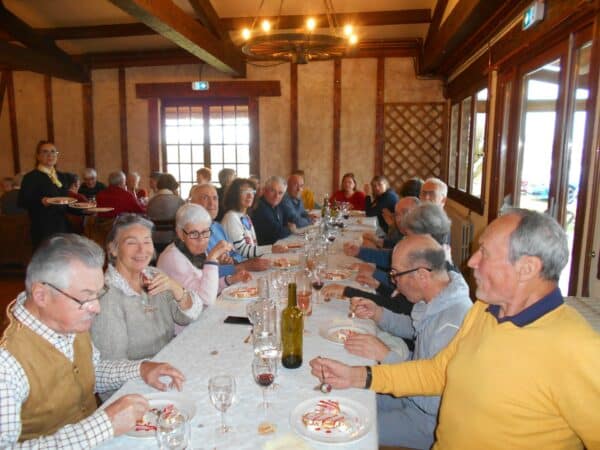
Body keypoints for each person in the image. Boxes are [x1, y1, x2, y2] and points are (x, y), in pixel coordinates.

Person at [311, 209, 600, 449]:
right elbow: (438, 371)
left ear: (526, 268)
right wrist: (358, 375)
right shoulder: (485, 313)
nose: (471, 261)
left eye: (484, 253)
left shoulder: (577, 349)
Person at [0, 234, 185, 447]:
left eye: (98, 294)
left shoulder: (67, 321)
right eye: (86, 297)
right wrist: (103, 425)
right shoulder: (6, 362)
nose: (96, 308)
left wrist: (141, 369)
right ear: (41, 295)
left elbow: (90, 371)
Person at [345, 234, 471, 448]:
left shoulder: (453, 323)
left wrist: (386, 355)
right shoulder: (439, 297)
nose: (393, 282)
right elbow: (415, 328)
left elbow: (436, 402)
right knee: (346, 396)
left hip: (427, 421)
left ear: (422, 275)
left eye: (395, 274)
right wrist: (378, 313)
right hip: (409, 396)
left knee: (346, 427)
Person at [91, 214, 202, 363]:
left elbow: (188, 316)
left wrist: (176, 288)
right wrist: (147, 369)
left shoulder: (154, 275)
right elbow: (111, 365)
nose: (142, 250)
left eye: (147, 241)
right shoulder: (107, 297)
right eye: (131, 243)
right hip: (137, 380)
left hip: (169, 361)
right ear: (113, 249)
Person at [157, 204, 250, 302]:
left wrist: (231, 279)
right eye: (193, 233)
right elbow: (205, 300)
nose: (201, 239)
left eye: (205, 232)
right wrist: (211, 259)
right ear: (180, 233)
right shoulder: (173, 258)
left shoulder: (192, 250)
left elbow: (204, 286)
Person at [190, 183, 271, 277]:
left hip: (230, 277)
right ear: (192, 203)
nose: (212, 203)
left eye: (215, 198)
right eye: (205, 198)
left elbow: (235, 253)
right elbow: (203, 273)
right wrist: (240, 266)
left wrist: (232, 260)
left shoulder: (217, 226)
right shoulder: (192, 234)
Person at [18, 141, 72, 248]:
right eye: (45, 152)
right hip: (42, 228)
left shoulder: (61, 176)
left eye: (53, 152)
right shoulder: (31, 177)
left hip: (62, 226)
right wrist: (41, 201)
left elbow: (66, 201)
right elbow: (22, 201)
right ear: (38, 156)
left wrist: (85, 209)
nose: (50, 155)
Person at [221, 178, 288, 258]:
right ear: (234, 194)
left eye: (252, 192)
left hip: (251, 262)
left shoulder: (245, 216)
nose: (250, 196)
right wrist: (271, 249)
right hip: (241, 267)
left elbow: (253, 245)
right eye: (245, 192)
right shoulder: (231, 217)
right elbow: (241, 250)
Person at [251, 176, 296, 245]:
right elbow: (276, 234)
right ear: (265, 190)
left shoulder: (277, 205)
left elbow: (289, 221)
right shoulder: (260, 207)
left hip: (275, 246)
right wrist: (290, 229)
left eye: (280, 193)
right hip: (263, 251)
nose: (276, 196)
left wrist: (287, 227)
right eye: (272, 191)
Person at [146, 173, 185, 253]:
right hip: (173, 241)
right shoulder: (179, 201)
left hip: (155, 241)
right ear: (173, 185)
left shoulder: (151, 202)